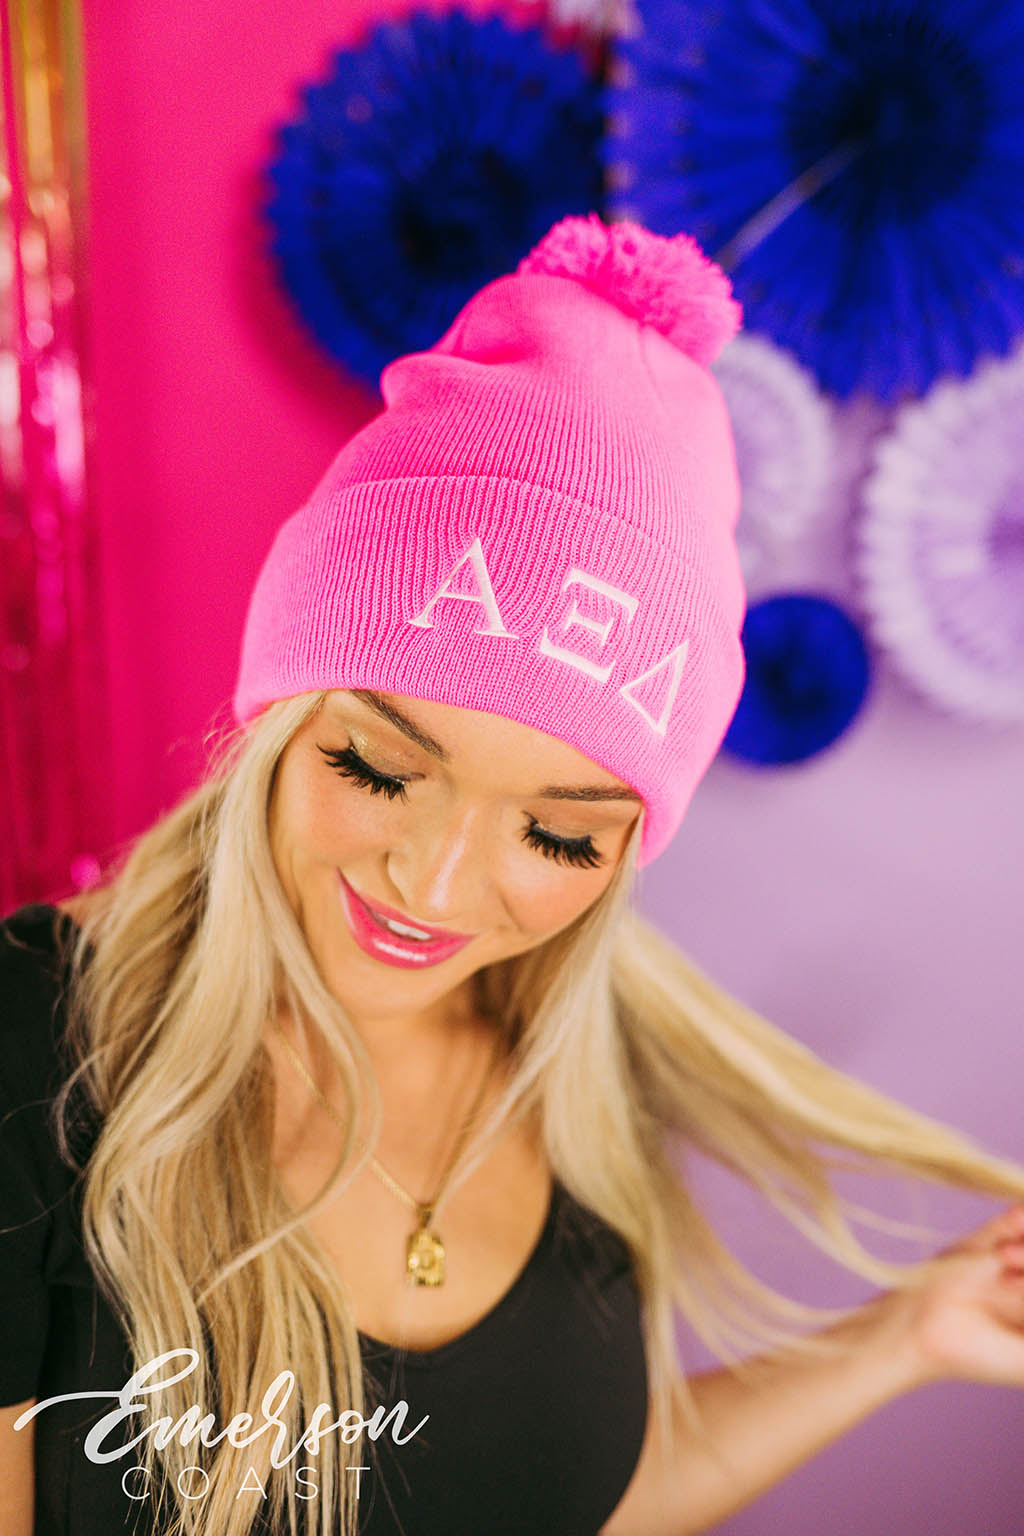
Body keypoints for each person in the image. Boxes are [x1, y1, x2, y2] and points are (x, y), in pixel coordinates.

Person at [2, 212, 1024, 1536]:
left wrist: (906, 1338)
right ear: (278, 723)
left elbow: (565, 1493)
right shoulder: (30, 1046)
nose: (431, 886)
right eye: (376, 768)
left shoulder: (582, 1081)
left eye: (557, 837)